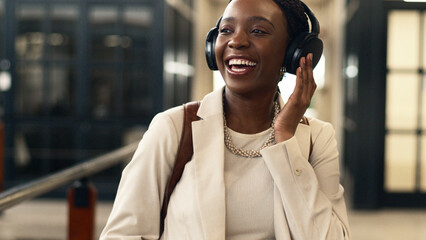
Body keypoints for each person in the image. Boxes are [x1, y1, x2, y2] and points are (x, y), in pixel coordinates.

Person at [100, 0, 350, 239]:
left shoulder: (317, 138)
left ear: (293, 54)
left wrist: (285, 138)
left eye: (258, 31)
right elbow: (123, 235)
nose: (236, 41)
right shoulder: (173, 128)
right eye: (226, 30)